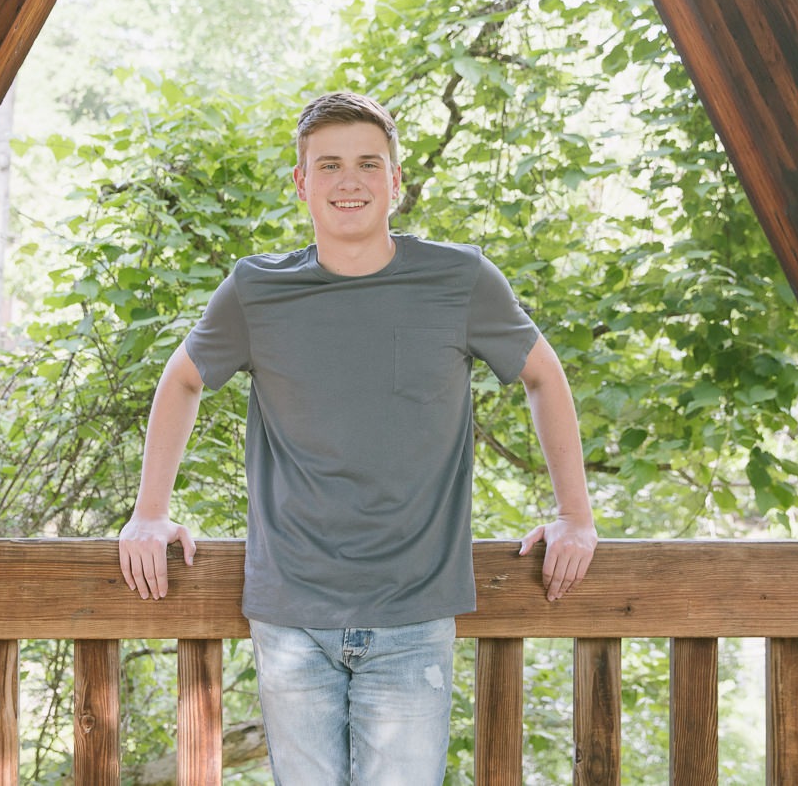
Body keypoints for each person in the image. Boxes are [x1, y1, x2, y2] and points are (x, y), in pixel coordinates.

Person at [118, 91, 598, 785]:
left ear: (396, 182)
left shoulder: (458, 279)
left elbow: (545, 377)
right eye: (330, 164)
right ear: (302, 183)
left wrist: (576, 518)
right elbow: (183, 378)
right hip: (290, 617)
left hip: (414, 615)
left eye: (370, 163)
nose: (350, 181)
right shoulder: (256, 289)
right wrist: (148, 512)